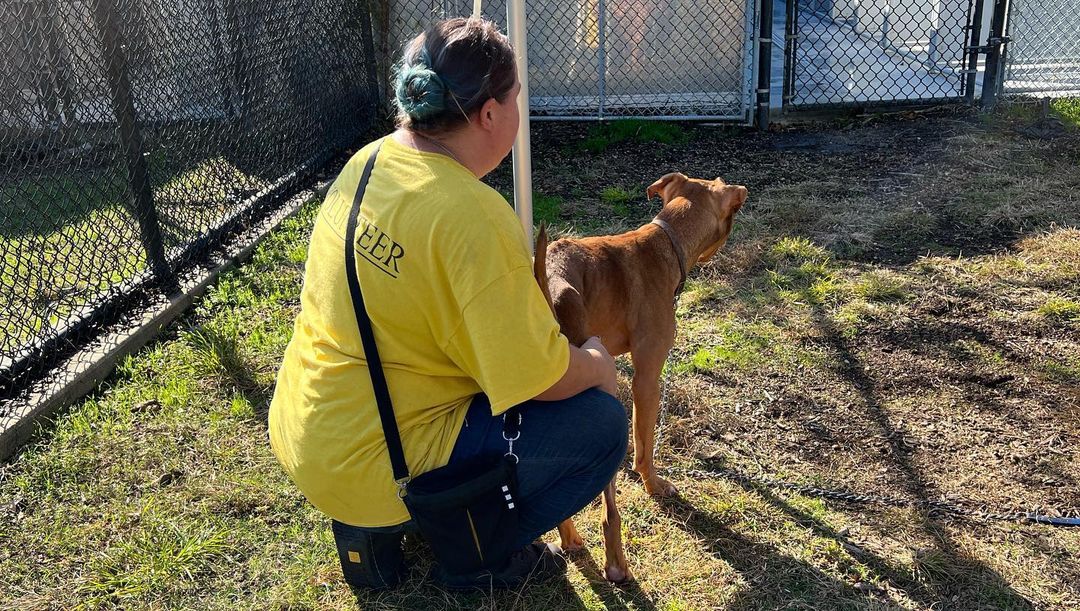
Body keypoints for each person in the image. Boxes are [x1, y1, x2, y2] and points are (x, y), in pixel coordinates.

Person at [268, 17, 627, 590]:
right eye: (516, 99)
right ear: (490, 114)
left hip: (310, 435)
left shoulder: (368, 161)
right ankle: (471, 549)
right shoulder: (474, 216)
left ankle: (376, 526)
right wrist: (595, 362)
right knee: (601, 424)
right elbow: (541, 378)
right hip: (386, 463)